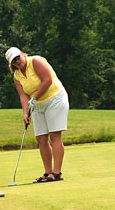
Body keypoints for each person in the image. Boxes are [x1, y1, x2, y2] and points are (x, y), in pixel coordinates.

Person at [5, 47, 69, 182]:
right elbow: (23, 95)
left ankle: (56, 173)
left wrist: (34, 98)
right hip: (37, 105)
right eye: (13, 61)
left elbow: (47, 80)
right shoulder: (16, 76)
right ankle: (48, 172)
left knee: (55, 136)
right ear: (11, 64)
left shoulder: (36, 61)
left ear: (23, 54)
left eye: (18, 58)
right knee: (41, 138)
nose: (17, 62)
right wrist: (25, 113)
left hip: (55, 99)